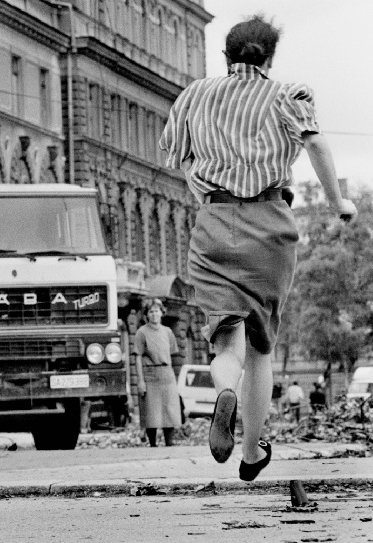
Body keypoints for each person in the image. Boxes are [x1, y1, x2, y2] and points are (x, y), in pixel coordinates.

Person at [160, 15, 357, 482]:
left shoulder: (195, 94)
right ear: (269, 57)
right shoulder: (289, 95)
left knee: (227, 341)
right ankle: (251, 454)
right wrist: (337, 201)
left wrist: (200, 182)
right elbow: (317, 144)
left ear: (226, 57)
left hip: (213, 223)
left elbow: (173, 153)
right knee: (262, 346)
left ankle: (224, 389)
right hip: (269, 223)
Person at [134, 299, 181, 447]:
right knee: (151, 410)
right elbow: (137, 357)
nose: (154, 314)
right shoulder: (142, 332)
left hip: (167, 373)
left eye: (157, 311)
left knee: (170, 408)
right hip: (150, 374)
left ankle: (169, 442)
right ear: (147, 315)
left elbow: (174, 355)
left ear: (162, 313)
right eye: (151, 311)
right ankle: (152, 443)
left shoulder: (167, 332)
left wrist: (176, 377)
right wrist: (140, 381)